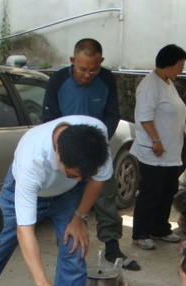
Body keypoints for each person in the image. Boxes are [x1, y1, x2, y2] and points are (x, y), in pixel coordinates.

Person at [0, 116, 112, 286]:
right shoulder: (31, 160)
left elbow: (98, 179)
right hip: (21, 191)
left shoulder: (95, 138)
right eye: (72, 174)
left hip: (67, 197)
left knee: (74, 251)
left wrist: (79, 216)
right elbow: (25, 230)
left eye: (82, 177)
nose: (79, 180)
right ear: (57, 153)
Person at [42, 38, 140, 271]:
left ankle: (112, 247)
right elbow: (49, 120)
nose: (87, 74)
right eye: (82, 69)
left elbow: (112, 114)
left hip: (97, 148)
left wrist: (99, 140)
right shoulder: (58, 81)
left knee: (105, 197)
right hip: (68, 152)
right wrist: (66, 148)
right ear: (72, 61)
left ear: (102, 63)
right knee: (68, 200)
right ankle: (69, 249)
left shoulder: (106, 79)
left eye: (93, 69)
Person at [131, 44, 186, 250]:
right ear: (168, 64)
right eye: (180, 66)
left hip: (170, 149)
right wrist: (156, 140)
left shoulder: (167, 82)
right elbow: (144, 118)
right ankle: (141, 232)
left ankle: (160, 228)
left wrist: (182, 126)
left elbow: (169, 112)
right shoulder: (150, 85)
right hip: (154, 150)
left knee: (168, 191)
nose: (182, 70)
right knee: (151, 192)